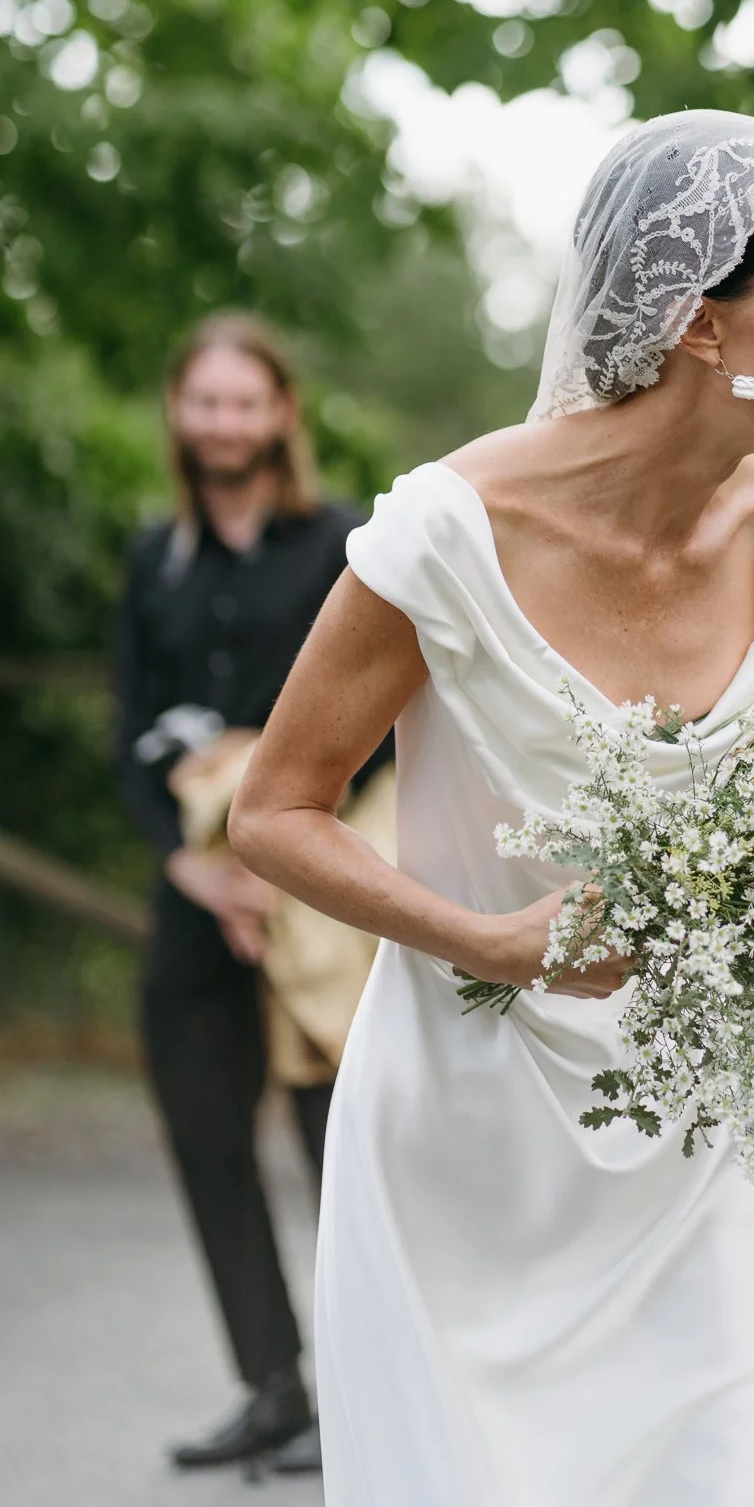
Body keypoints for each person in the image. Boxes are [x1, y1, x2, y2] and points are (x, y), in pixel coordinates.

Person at [229, 112, 754, 1505]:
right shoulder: (447, 535)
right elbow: (274, 814)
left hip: (694, 1142)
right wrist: (497, 942)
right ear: (704, 326)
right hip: (464, 1152)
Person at [115, 313, 387, 1473]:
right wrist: (191, 864)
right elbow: (129, 725)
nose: (223, 421)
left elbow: (383, 710)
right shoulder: (152, 557)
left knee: (344, 1149)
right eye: (204, 401)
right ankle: (271, 1386)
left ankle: (369, 1399)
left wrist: (277, 838)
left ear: (280, 413)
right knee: (207, 1136)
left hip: (317, 888)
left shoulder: (346, 542)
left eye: (244, 400)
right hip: (197, 897)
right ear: (181, 413)